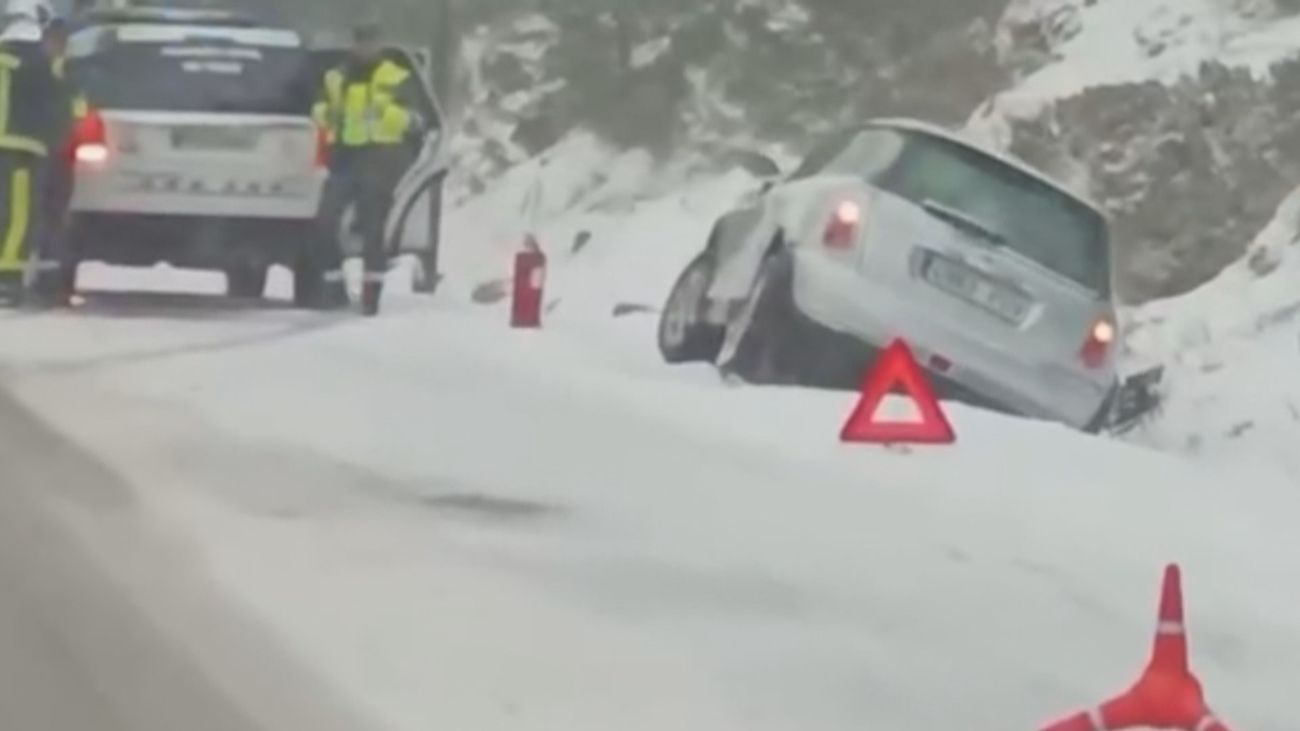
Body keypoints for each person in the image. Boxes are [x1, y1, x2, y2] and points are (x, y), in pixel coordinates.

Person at [310, 19, 423, 316]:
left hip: (380, 157)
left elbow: (415, 120)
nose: (365, 47)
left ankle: (371, 295)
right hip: (344, 156)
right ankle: (334, 289)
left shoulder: (395, 77)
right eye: (360, 41)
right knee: (326, 221)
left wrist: (386, 113)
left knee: (372, 228)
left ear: (379, 44)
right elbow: (320, 109)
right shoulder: (336, 77)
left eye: (371, 41)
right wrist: (326, 114)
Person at [0, 0, 62, 304]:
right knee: (18, 215)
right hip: (20, 150)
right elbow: (55, 105)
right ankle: (8, 278)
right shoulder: (38, 64)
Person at [34, 14, 85, 304]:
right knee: (36, 215)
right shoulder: (39, 68)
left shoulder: (70, 72)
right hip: (39, 150)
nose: (54, 45)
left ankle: (52, 280)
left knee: (54, 216)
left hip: (59, 154)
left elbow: (77, 109)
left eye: (58, 41)